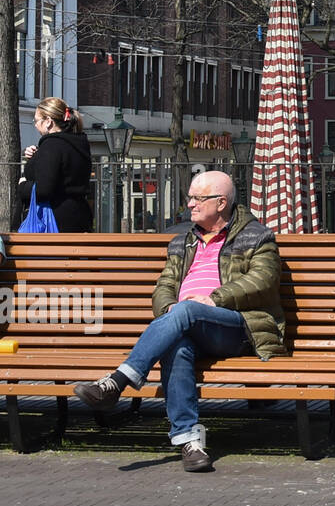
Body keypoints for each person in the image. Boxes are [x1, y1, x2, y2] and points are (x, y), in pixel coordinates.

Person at [72, 171, 284, 472]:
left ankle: (117, 382)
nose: (190, 205)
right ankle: (189, 441)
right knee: (178, 345)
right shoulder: (183, 241)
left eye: (198, 198)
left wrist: (214, 299)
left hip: (237, 327)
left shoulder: (257, 236)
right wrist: (169, 306)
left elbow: (262, 280)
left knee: (186, 311)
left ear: (221, 203)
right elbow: (164, 287)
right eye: (190, 198)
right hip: (188, 325)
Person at [17, 97, 92, 232]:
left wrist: (23, 186)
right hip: (79, 218)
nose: (35, 124)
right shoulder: (78, 144)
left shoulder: (51, 144)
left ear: (48, 122)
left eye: (36, 120)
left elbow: (44, 190)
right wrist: (36, 155)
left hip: (55, 221)